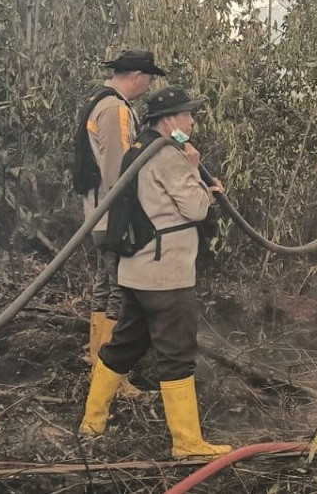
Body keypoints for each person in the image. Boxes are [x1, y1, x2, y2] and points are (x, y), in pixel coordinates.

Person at [79, 86, 231, 458]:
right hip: (166, 277)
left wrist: (200, 183)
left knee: (124, 345)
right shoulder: (169, 154)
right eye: (187, 114)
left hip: (136, 272)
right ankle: (187, 443)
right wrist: (195, 172)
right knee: (177, 353)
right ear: (169, 119)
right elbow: (196, 209)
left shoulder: (138, 149)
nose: (191, 121)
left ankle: (92, 423)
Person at [73, 49, 166, 397]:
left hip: (98, 213)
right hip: (112, 214)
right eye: (149, 78)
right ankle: (111, 375)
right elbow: (120, 172)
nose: (149, 86)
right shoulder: (115, 109)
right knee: (119, 291)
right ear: (137, 76)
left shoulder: (101, 101)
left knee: (105, 285)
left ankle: (97, 359)